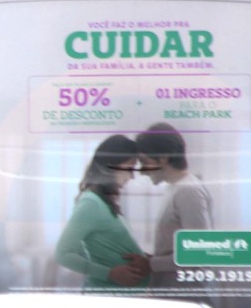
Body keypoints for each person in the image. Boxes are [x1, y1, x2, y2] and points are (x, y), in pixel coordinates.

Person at [54, 134, 150, 291]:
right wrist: (110, 274)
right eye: (130, 168)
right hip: (108, 298)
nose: (132, 176)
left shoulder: (104, 202)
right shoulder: (91, 203)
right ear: (112, 165)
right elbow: (63, 254)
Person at [132, 122, 214, 294]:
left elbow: (199, 253)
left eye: (144, 161)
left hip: (187, 297)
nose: (142, 171)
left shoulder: (188, 191)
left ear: (163, 158)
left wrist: (152, 264)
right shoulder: (175, 188)